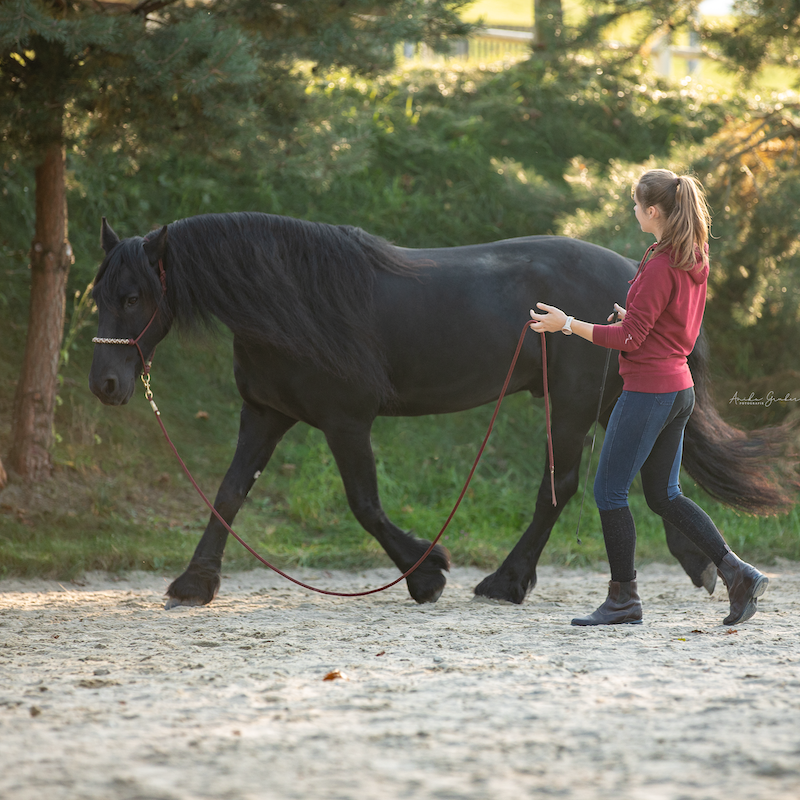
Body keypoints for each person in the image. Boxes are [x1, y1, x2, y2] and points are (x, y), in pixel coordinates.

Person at [528, 168, 769, 627]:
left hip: (650, 390)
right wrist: (632, 317)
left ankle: (623, 599)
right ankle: (738, 574)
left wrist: (567, 324)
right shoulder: (688, 256)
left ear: (653, 210)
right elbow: (666, 322)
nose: (634, 211)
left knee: (609, 491)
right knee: (664, 494)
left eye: (637, 205)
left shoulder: (661, 264)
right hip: (678, 388)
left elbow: (632, 338)